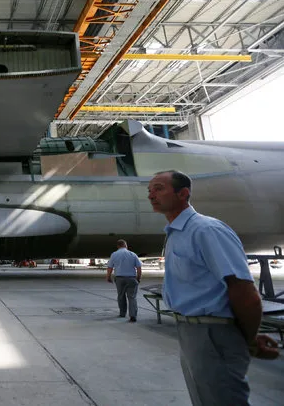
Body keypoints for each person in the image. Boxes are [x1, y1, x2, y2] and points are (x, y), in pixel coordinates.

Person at [148, 170, 279, 406]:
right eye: (149, 190)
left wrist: (246, 338)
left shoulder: (206, 230)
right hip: (192, 332)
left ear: (183, 193)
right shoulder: (177, 234)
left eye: (158, 188)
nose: (151, 195)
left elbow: (244, 292)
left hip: (212, 334)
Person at [106, 239, 142, 322]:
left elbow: (110, 267)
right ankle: (133, 315)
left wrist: (108, 277)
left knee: (121, 296)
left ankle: (122, 313)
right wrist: (138, 278)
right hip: (131, 278)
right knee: (132, 297)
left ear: (118, 246)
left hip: (119, 279)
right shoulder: (133, 254)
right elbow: (139, 268)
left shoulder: (114, 254)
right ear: (126, 245)